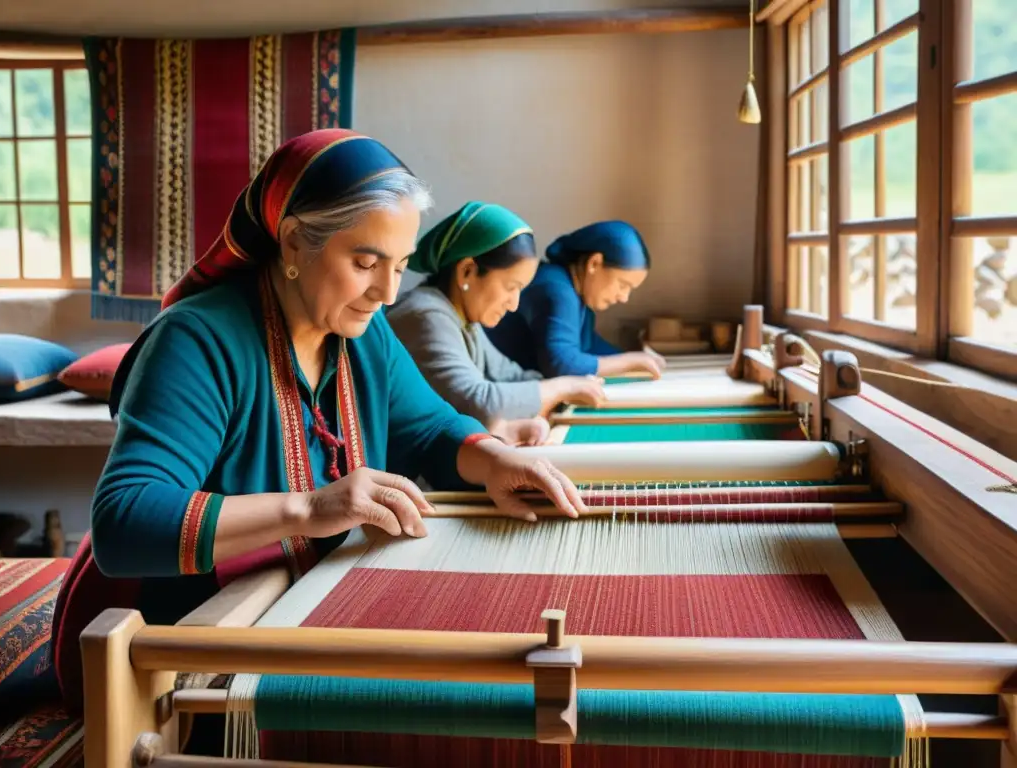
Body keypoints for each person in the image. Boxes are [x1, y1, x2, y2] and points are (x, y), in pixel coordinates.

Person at [50, 129, 587, 715]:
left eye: (401, 266)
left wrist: (496, 460)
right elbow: (123, 522)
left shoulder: (363, 331)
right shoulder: (196, 341)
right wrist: (311, 507)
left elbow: (427, 429)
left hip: (307, 607)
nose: (386, 291)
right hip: (189, 649)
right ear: (294, 242)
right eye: (365, 263)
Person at [387, 202, 606, 446]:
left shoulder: (462, 315)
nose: (513, 304)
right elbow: (480, 402)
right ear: (467, 272)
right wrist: (563, 387)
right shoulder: (424, 314)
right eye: (511, 287)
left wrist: (570, 389)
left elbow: (509, 375)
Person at [486, 221, 666, 379]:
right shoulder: (557, 290)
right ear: (594, 263)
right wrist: (631, 361)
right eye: (622, 284)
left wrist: (639, 359)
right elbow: (561, 364)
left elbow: (589, 346)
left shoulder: (574, 291)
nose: (624, 297)